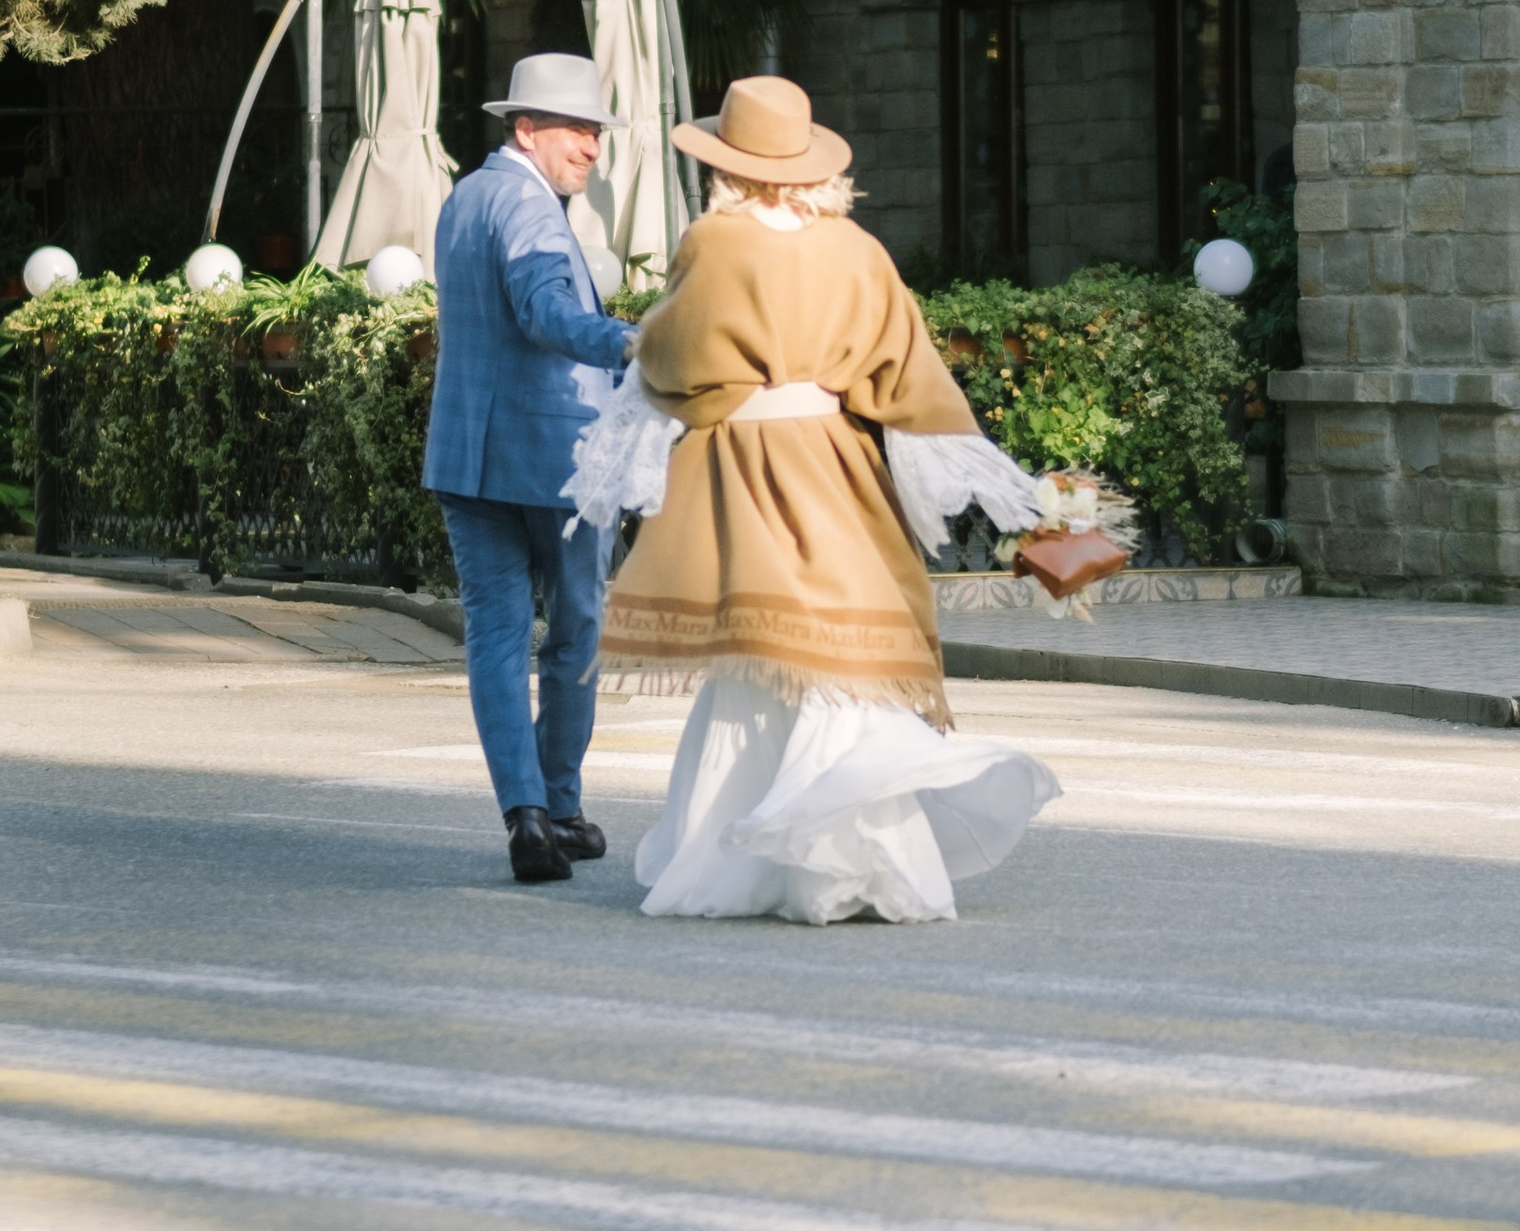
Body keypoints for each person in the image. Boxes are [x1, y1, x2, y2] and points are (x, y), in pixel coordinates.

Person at [570, 75, 1058, 924]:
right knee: (843, 656)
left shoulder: (713, 242)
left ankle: (747, 858)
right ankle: (847, 864)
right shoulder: (856, 248)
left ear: (729, 165)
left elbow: (672, 359)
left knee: (761, 658)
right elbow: (906, 376)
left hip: (745, 464)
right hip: (836, 466)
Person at [425, 52, 633, 885]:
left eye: (595, 131)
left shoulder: (465, 197)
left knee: (498, 637)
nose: (592, 147)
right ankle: (563, 805)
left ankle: (526, 818)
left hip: (464, 457)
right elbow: (546, 309)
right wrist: (630, 340)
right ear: (526, 130)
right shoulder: (532, 209)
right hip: (555, 459)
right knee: (578, 629)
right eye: (578, 130)